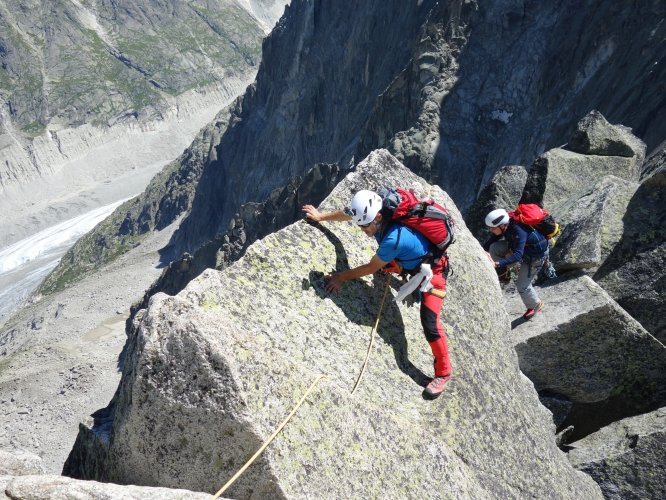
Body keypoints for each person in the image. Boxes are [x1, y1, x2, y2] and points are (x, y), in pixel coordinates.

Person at [303, 190, 452, 399]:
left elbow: (370, 268)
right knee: (389, 263)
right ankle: (397, 266)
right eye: (361, 225)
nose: (363, 230)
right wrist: (321, 217)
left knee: (429, 322)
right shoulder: (375, 211)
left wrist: (340, 278)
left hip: (433, 273)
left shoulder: (393, 238)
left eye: (365, 226)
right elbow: (348, 215)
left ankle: (443, 374)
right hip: (410, 262)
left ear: (379, 217)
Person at [483, 208, 548, 319]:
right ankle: (505, 275)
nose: (490, 230)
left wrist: (497, 264)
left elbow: (518, 255)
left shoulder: (519, 230)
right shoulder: (505, 227)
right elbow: (491, 241)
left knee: (522, 285)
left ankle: (535, 305)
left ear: (502, 225)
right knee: (494, 248)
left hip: (535, 257)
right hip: (521, 248)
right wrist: (481, 249)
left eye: (492, 228)